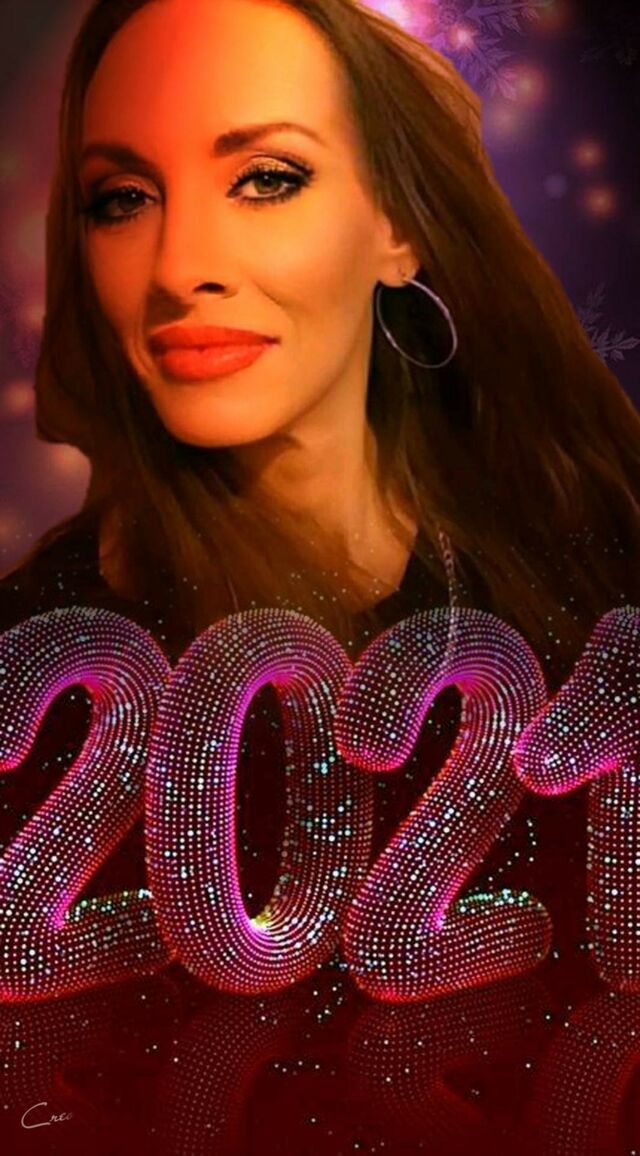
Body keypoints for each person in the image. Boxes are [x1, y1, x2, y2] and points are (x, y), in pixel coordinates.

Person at [0, 0, 638, 971]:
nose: (179, 270)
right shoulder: (40, 670)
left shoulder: (584, 561)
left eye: (266, 179)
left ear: (399, 225)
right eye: (122, 198)